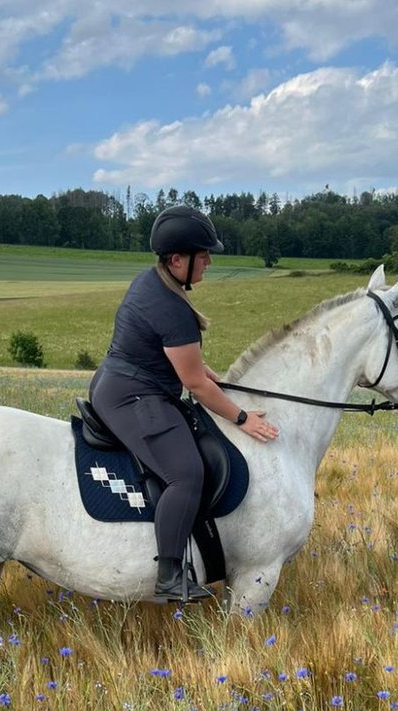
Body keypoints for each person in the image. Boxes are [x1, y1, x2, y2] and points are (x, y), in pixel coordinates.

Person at [89, 205, 280, 601]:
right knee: (186, 473)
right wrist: (243, 418)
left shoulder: (153, 283)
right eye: (203, 253)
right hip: (134, 396)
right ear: (177, 259)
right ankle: (171, 575)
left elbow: (172, 356)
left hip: (119, 382)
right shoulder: (173, 308)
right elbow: (195, 386)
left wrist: (203, 369)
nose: (209, 260)